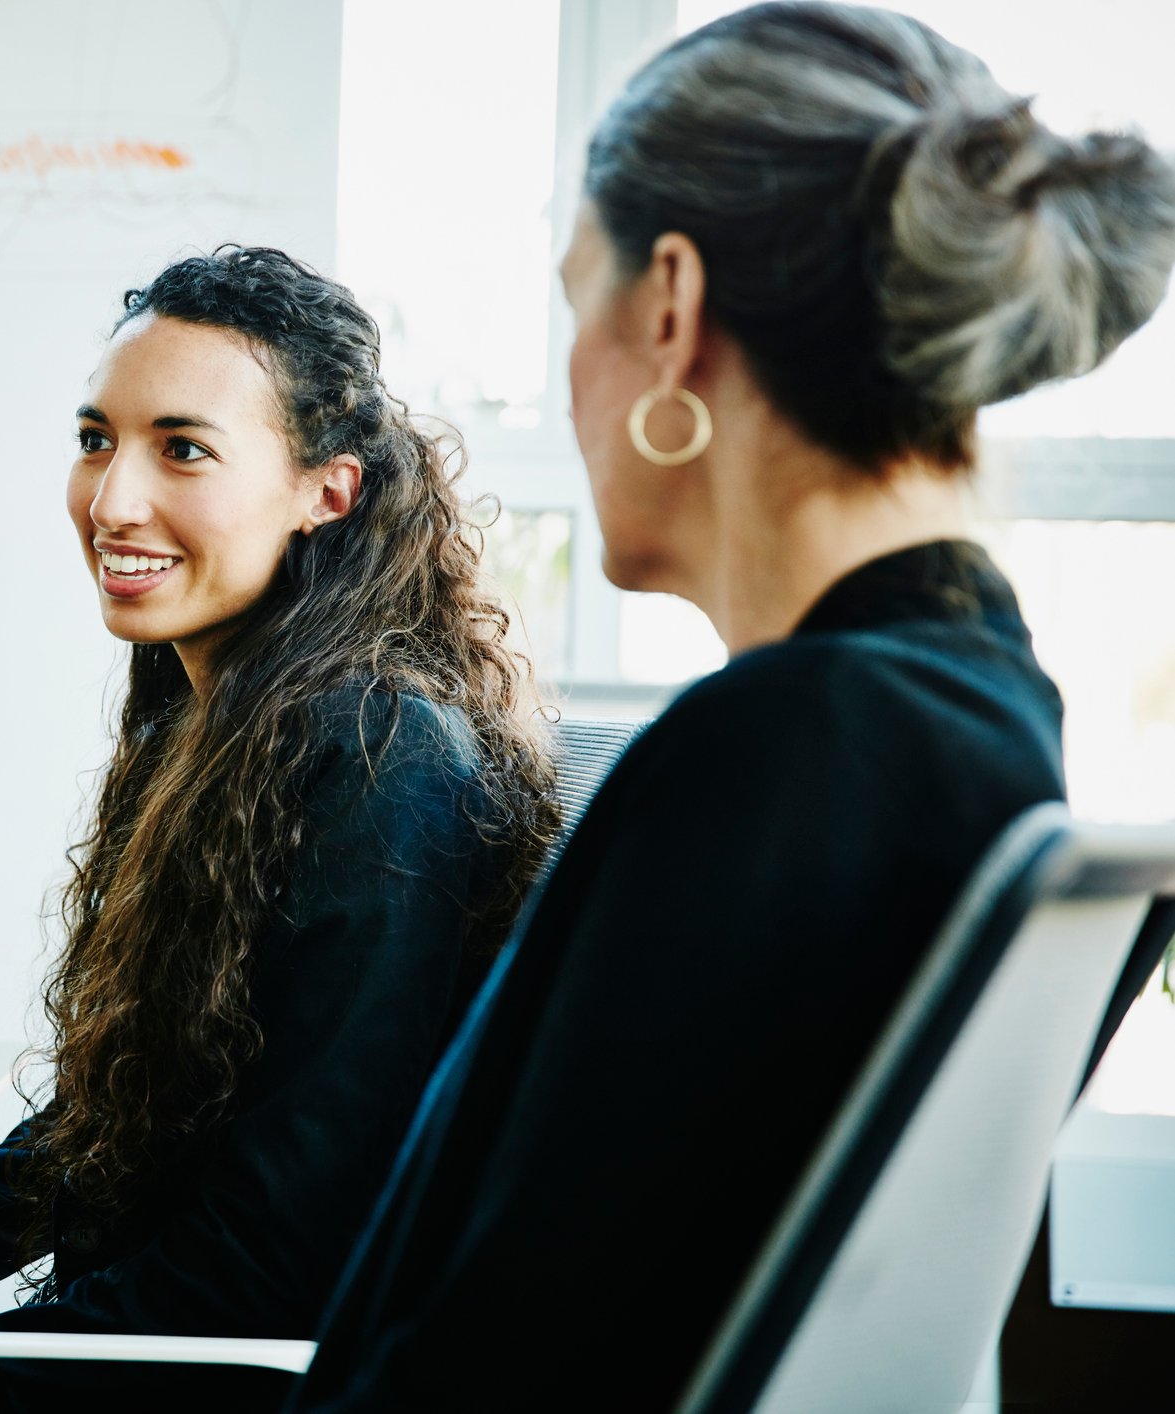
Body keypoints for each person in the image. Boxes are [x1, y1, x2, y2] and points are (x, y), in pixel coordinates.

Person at [287, 4, 1175, 1409]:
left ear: (670, 308)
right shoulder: (974, 706)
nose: (567, 375)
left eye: (574, 295)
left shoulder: (787, 754)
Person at [0, 248, 559, 1412]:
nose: (113, 500)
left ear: (328, 488)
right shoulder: (207, 711)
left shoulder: (384, 754)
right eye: (94, 438)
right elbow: (147, 1116)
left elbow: (280, 1251)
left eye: (184, 448)